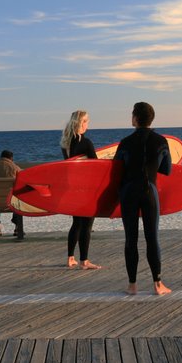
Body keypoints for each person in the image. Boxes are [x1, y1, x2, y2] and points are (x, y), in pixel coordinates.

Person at [114, 101, 172, 296]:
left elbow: (115, 171)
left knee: (131, 238)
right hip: (150, 192)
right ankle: (158, 284)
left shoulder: (125, 142)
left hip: (129, 192)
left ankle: (132, 285)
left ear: (136, 118)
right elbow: (167, 169)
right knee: (152, 238)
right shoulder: (161, 141)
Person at [61, 110, 101, 270]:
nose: (87, 124)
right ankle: (84, 261)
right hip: (86, 188)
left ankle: (70, 258)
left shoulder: (66, 143)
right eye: (86, 121)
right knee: (87, 224)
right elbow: (97, 167)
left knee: (76, 223)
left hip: (72, 187)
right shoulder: (86, 143)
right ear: (80, 123)